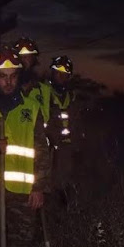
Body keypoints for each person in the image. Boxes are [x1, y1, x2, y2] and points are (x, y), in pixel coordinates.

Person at [0, 44, 51, 247]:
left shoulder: (31, 108)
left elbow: (41, 149)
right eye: (2, 76)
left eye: (13, 76)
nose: (8, 82)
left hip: (22, 192)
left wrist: (38, 186)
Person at [45, 55, 80, 212]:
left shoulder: (72, 96)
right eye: (58, 72)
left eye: (65, 73)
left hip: (68, 149)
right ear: (52, 73)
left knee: (64, 185)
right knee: (47, 185)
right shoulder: (43, 91)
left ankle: (63, 220)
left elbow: (77, 122)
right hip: (47, 149)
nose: (62, 75)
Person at [13, 37, 52, 124]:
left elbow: (50, 121)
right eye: (20, 56)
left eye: (27, 57)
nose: (23, 60)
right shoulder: (5, 87)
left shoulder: (44, 90)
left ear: (33, 59)